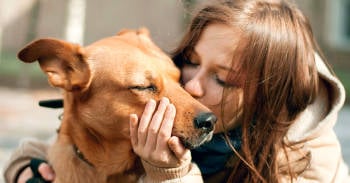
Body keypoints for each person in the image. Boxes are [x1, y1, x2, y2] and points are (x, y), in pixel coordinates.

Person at [4, 0, 350, 182]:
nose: (191, 88)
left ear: (269, 96)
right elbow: (72, 143)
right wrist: (24, 167)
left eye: (224, 79)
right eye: (189, 61)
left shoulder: (310, 164)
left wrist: (171, 173)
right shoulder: (156, 121)